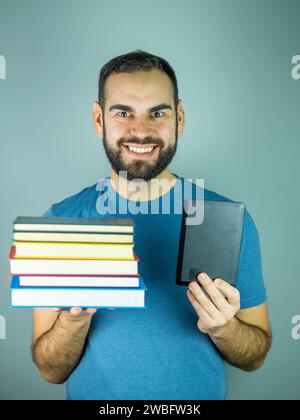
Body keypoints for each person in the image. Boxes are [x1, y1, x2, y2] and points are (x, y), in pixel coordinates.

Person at [32, 50, 272, 400]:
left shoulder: (227, 221)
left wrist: (224, 328)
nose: (140, 131)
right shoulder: (60, 223)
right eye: (123, 113)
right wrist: (73, 321)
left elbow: (255, 356)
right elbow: (50, 371)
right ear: (99, 120)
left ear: (180, 118)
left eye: (157, 113)